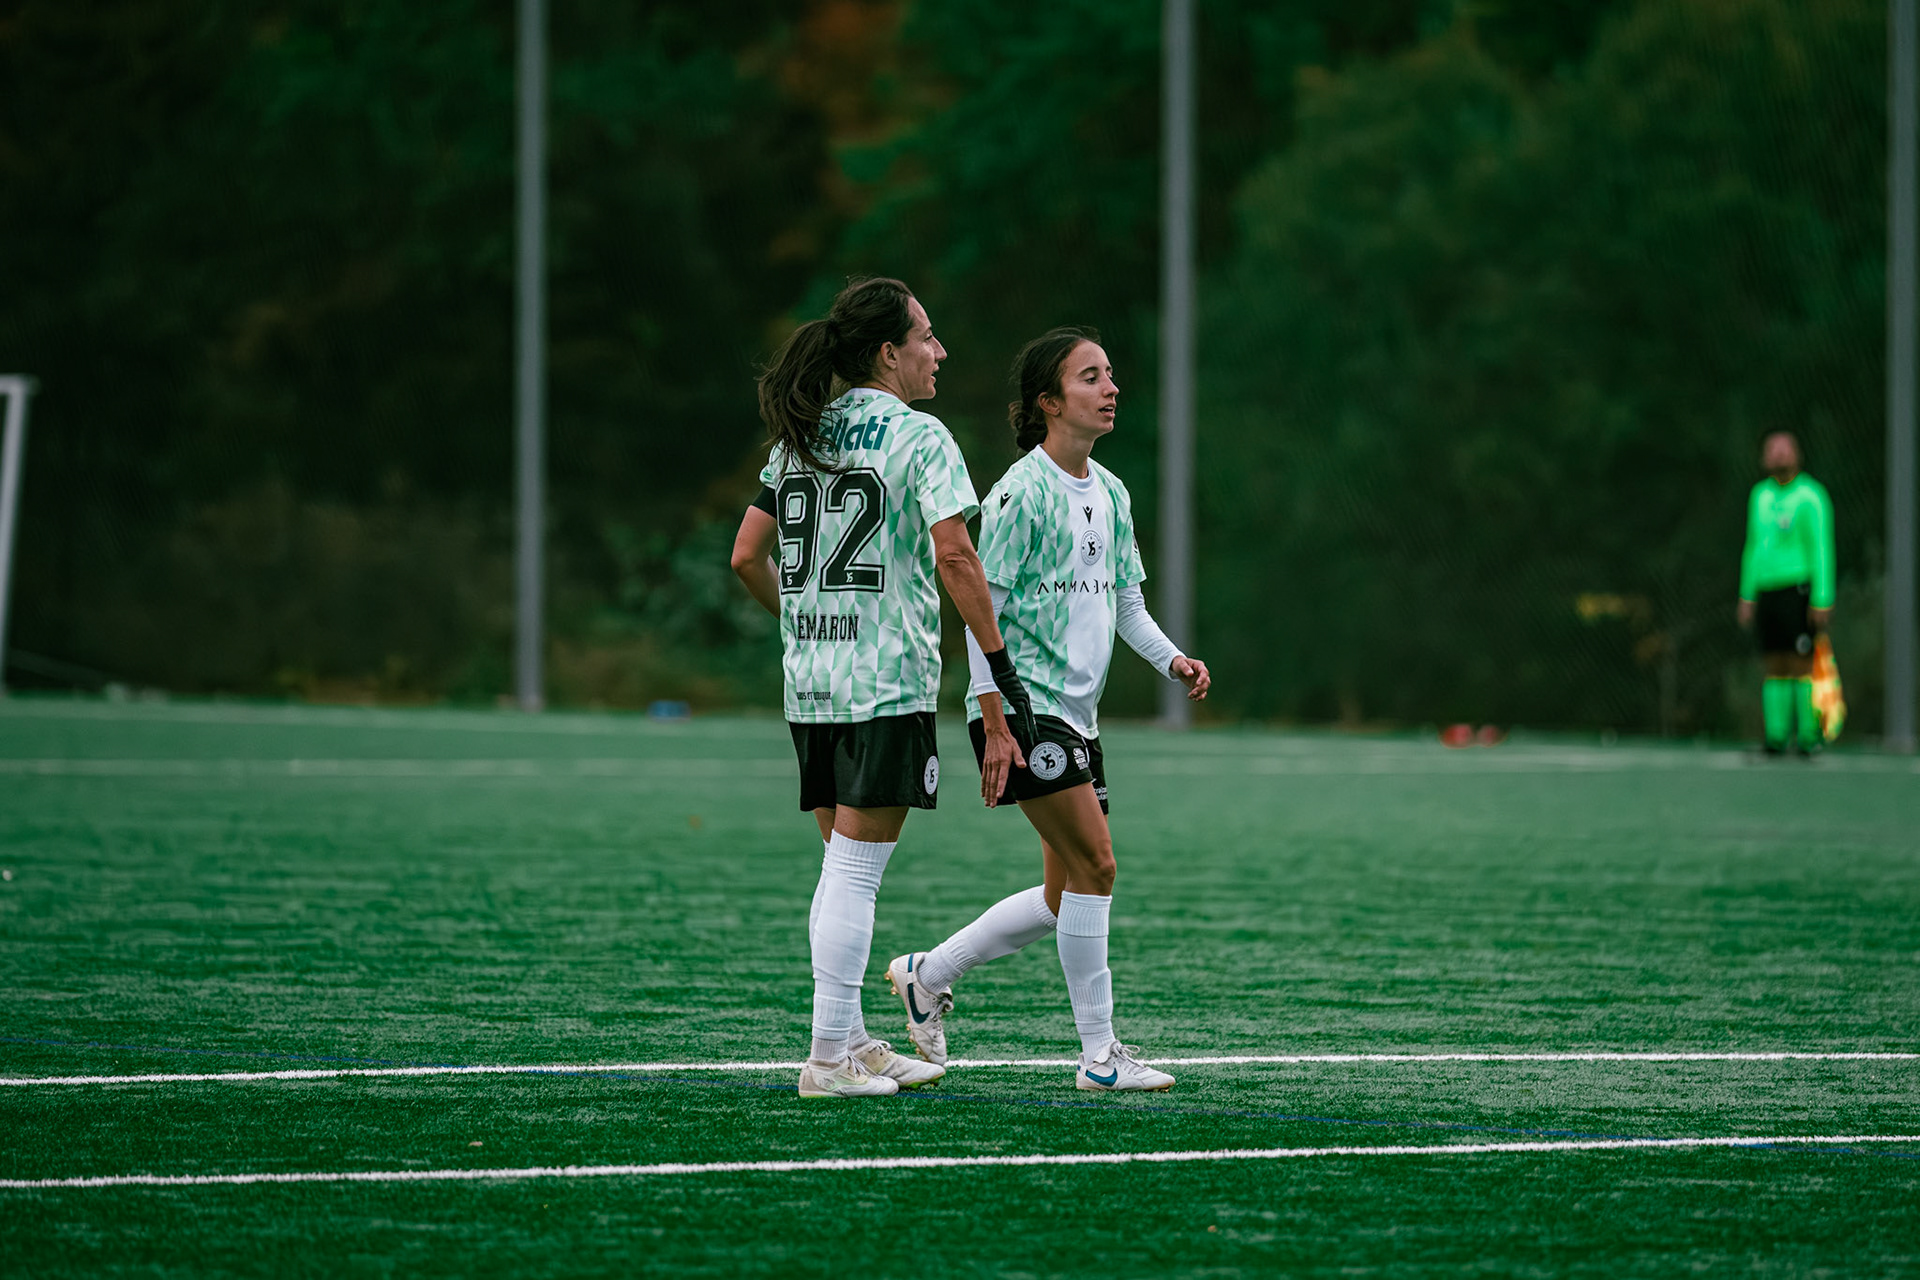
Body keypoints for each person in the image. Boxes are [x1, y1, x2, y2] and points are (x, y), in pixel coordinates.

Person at [729, 277, 1038, 1099]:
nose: (939, 352)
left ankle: (855, 1040)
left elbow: (744, 556)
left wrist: (797, 622)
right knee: (857, 874)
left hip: (812, 684)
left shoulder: (802, 435)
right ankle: (828, 1055)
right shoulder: (919, 436)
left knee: (841, 868)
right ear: (886, 353)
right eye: (927, 338)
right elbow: (956, 557)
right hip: (884, 685)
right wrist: (1000, 667)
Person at [883, 326, 1209, 1092]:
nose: (1110, 387)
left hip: (1076, 716)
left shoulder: (1113, 491)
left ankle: (926, 976)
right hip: (1026, 713)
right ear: (1050, 402)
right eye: (1091, 377)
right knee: (1098, 864)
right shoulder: (1021, 493)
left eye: (1110, 373)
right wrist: (994, 720)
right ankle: (1099, 1058)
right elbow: (977, 610)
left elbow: (1126, 602)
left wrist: (1172, 659)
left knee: (1067, 895)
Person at [1736, 431, 1836, 756]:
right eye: (1772, 450)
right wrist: (1747, 593)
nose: (1778, 455)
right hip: (1768, 590)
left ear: (1797, 455)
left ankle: (1808, 737)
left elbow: (1822, 547)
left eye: (1784, 450)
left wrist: (1822, 596)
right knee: (1773, 662)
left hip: (1798, 588)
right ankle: (1776, 737)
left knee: (1801, 662)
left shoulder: (1811, 496)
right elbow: (1752, 547)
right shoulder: (1760, 496)